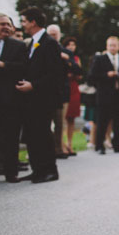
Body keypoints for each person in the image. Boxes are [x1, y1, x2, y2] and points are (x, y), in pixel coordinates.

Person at [17, 6, 63, 183]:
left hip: (44, 98)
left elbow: (55, 73)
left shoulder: (49, 43)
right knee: (32, 134)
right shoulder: (32, 42)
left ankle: (50, 170)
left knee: (43, 134)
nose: (23, 25)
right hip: (31, 99)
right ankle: (37, 169)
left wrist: (33, 86)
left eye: (24, 21)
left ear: (33, 22)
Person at [0, 13, 27, 183]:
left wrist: (3, 65)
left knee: (11, 134)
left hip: (10, 97)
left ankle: (11, 171)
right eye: (2, 24)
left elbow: (24, 68)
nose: (6, 27)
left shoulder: (18, 46)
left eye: (8, 24)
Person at [89, 36, 119, 155]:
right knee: (102, 120)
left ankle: (118, 145)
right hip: (104, 95)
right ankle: (99, 145)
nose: (112, 47)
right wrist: (106, 75)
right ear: (107, 46)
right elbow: (92, 76)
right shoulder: (99, 59)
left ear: (118, 46)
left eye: (114, 45)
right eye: (110, 45)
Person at [46, 24, 70, 159]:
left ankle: (59, 148)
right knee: (45, 123)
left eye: (56, 34)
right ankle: (48, 149)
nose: (54, 36)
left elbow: (76, 70)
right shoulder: (41, 48)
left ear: (60, 35)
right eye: (51, 33)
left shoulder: (65, 52)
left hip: (61, 92)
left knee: (59, 122)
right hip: (45, 90)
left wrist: (65, 59)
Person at [62, 37, 82, 155]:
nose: (71, 47)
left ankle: (70, 143)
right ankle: (62, 144)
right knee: (63, 118)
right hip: (65, 87)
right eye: (68, 45)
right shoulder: (61, 56)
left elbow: (79, 74)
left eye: (73, 45)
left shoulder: (76, 59)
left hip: (74, 88)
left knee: (72, 118)